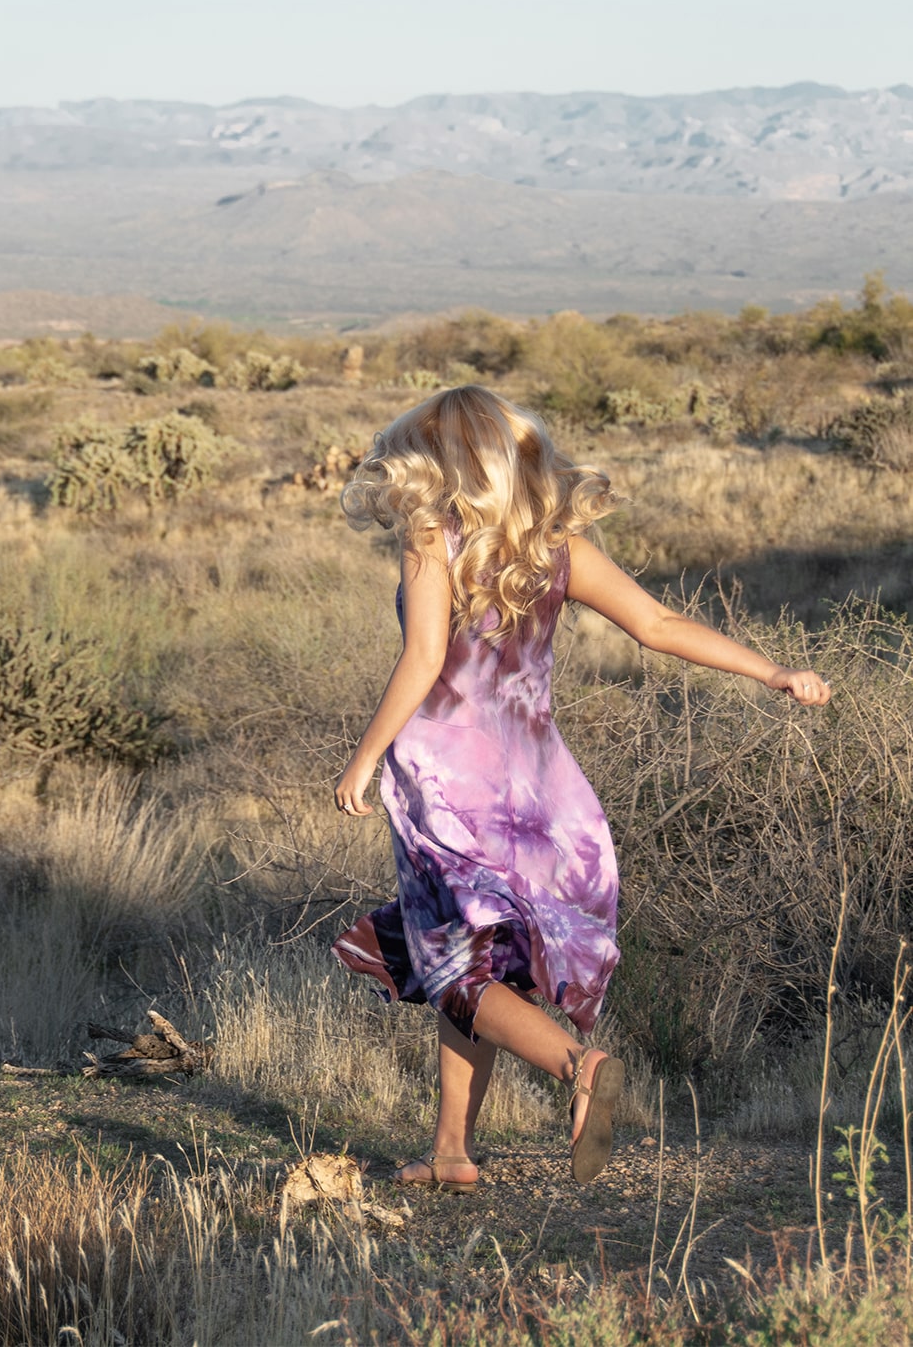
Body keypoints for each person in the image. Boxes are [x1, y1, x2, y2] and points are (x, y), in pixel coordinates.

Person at [331, 385, 831, 1192]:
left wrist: (364, 757)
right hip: (540, 794)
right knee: (474, 967)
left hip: (447, 790)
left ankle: (578, 1067)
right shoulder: (554, 548)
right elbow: (659, 626)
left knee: (453, 966)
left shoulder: (432, 538)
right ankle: (453, 1153)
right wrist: (773, 671)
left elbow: (424, 657)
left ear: (439, 464)